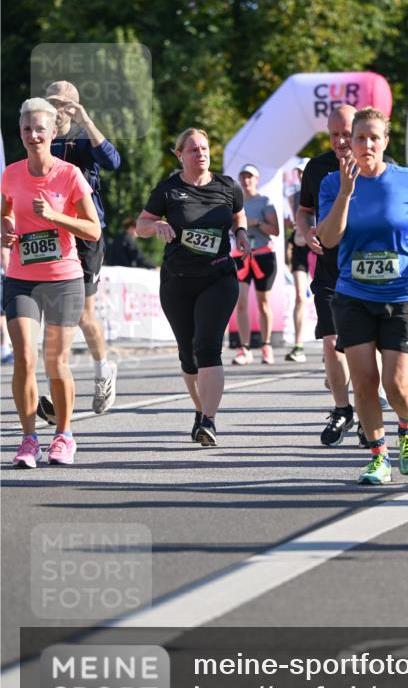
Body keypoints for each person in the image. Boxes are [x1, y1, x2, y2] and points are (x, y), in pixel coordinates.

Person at [317, 106, 408, 485]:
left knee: (396, 382)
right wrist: (345, 192)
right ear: (349, 143)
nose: (367, 144)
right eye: (360, 138)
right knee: (365, 381)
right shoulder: (331, 183)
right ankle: (378, 456)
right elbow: (328, 238)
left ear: (385, 142)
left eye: (375, 138)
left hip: (402, 292)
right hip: (353, 294)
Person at [1, 98, 101, 467]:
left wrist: (58, 217)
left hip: (63, 278)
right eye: (27, 128)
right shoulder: (11, 173)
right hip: (21, 278)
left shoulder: (69, 175)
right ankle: (29, 439)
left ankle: (64, 434)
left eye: (40, 128)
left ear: (53, 130)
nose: (33, 135)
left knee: (55, 361)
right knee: (24, 357)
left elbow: (93, 228)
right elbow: (5, 212)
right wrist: (5, 229)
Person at [136, 128, 249, 446]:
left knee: (208, 347)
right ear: (180, 155)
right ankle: (201, 412)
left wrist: (240, 233)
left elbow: (239, 214)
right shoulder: (168, 190)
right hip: (177, 282)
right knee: (188, 355)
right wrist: (156, 225)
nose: (200, 154)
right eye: (193, 150)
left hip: (218, 277)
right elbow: (141, 225)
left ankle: (209, 421)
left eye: (204, 148)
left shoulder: (227, 186)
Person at [37, 80, 121, 424]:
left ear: (74, 106)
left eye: (61, 103)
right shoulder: (39, 139)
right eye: (49, 102)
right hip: (49, 233)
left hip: (85, 235)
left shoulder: (85, 139)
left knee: (82, 313)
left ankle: (103, 370)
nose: (55, 109)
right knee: (54, 313)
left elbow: (113, 162)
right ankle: (60, 389)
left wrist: (86, 121)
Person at [296, 105, 357, 446]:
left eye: (346, 133)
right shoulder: (317, 168)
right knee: (332, 343)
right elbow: (304, 213)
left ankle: (366, 410)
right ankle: (342, 409)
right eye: (334, 134)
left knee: (366, 346)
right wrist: (306, 233)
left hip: (364, 269)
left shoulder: (375, 165)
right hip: (330, 267)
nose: (340, 141)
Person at [231, 164, 280, 365]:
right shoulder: (235, 203)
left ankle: (266, 345)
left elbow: (275, 230)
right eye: (243, 176)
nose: (246, 180)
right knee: (241, 302)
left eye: (250, 176)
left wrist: (255, 223)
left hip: (263, 256)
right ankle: (244, 348)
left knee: (263, 302)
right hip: (241, 257)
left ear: (257, 179)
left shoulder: (265, 202)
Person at [285, 158, 310, 362]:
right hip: (301, 248)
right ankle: (298, 345)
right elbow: (296, 225)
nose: (302, 176)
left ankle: (334, 341)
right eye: (299, 172)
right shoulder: (294, 196)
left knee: (326, 295)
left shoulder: (325, 189)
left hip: (321, 247)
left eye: (305, 172)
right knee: (300, 296)